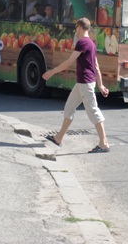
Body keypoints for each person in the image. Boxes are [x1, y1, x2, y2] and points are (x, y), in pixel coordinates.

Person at [42, 17, 110, 153]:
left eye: (76, 28)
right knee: (69, 107)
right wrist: (101, 85)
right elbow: (96, 66)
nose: (75, 31)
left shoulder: (82, 43)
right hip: (83, 83)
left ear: (79, 27)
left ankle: (104, 144)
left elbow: (68, 62)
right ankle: (58, 138)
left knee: (93, 111)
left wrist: (51, 72)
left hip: (85, 82)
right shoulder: (91, 43)